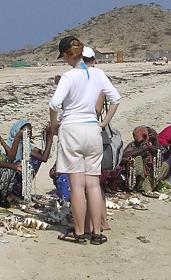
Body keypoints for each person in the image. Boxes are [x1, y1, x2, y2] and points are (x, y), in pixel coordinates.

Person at [50, 36, 121, 245]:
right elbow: (116, 99)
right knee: (93, 183)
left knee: (77, 185)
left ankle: (79, 233)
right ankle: (96, 232)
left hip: (72, 129)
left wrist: (54, 124)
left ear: (65, 55)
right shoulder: (98, 74)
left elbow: (54, 104)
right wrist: (103, 122)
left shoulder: (69, 76)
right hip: (92, 129)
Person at [7, 119, 54, 199]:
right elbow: (43, 158)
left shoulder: (28, 146)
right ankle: (12, 193)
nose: (28, 133)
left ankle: (20, 191)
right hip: (10, 180)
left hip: (19, 177)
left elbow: (44, 156)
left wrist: (47, 137)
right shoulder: (11, 146)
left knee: (34, 159)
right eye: (25, 131)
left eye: (30, 131)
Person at [121, 126, 169, 194]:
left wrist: (155, 141)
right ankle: (138, 186)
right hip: (137, 178)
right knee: (138, 158)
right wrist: (146, 148)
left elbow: (159, 155)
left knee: (165, 165)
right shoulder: (133, 145)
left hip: (149, 176)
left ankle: (147, 187)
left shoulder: (151, 143)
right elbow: (124, 156)